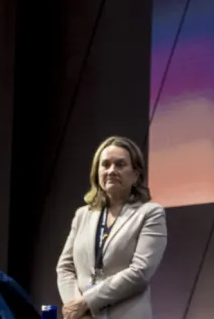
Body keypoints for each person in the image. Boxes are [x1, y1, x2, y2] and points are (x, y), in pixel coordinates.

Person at [56, 136, 167, 319]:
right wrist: (77, 308)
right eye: (105, 164)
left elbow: (139, 272)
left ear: (136, 174)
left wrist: (87, 302)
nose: (111, 170)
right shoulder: (82, 215)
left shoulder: (150, 213)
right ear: (96, 172)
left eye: (120, 164)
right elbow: (65, 268)